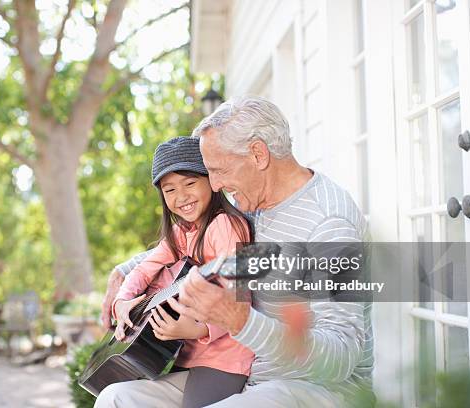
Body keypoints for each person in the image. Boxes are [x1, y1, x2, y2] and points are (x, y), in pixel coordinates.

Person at [99, 96, 374, 407]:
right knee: (116, 399)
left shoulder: (329, 224)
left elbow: (342, 356)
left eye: (218, 170)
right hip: (246, 376)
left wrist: (242, 322)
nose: (214, 186)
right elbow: (187, 242)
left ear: (258, 154)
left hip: (312, 389)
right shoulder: (250, 207)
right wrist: (122, 273)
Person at [106, 136, 255, 408]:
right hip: (188, 355)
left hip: (224, 359)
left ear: (211, 180)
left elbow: (240, 295)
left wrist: (197, 329)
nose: (181, 196)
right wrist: (122, 302)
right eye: (169, 189)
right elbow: (143, 270)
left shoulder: (226, 226)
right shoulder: (182, 233)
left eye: (189, 183)